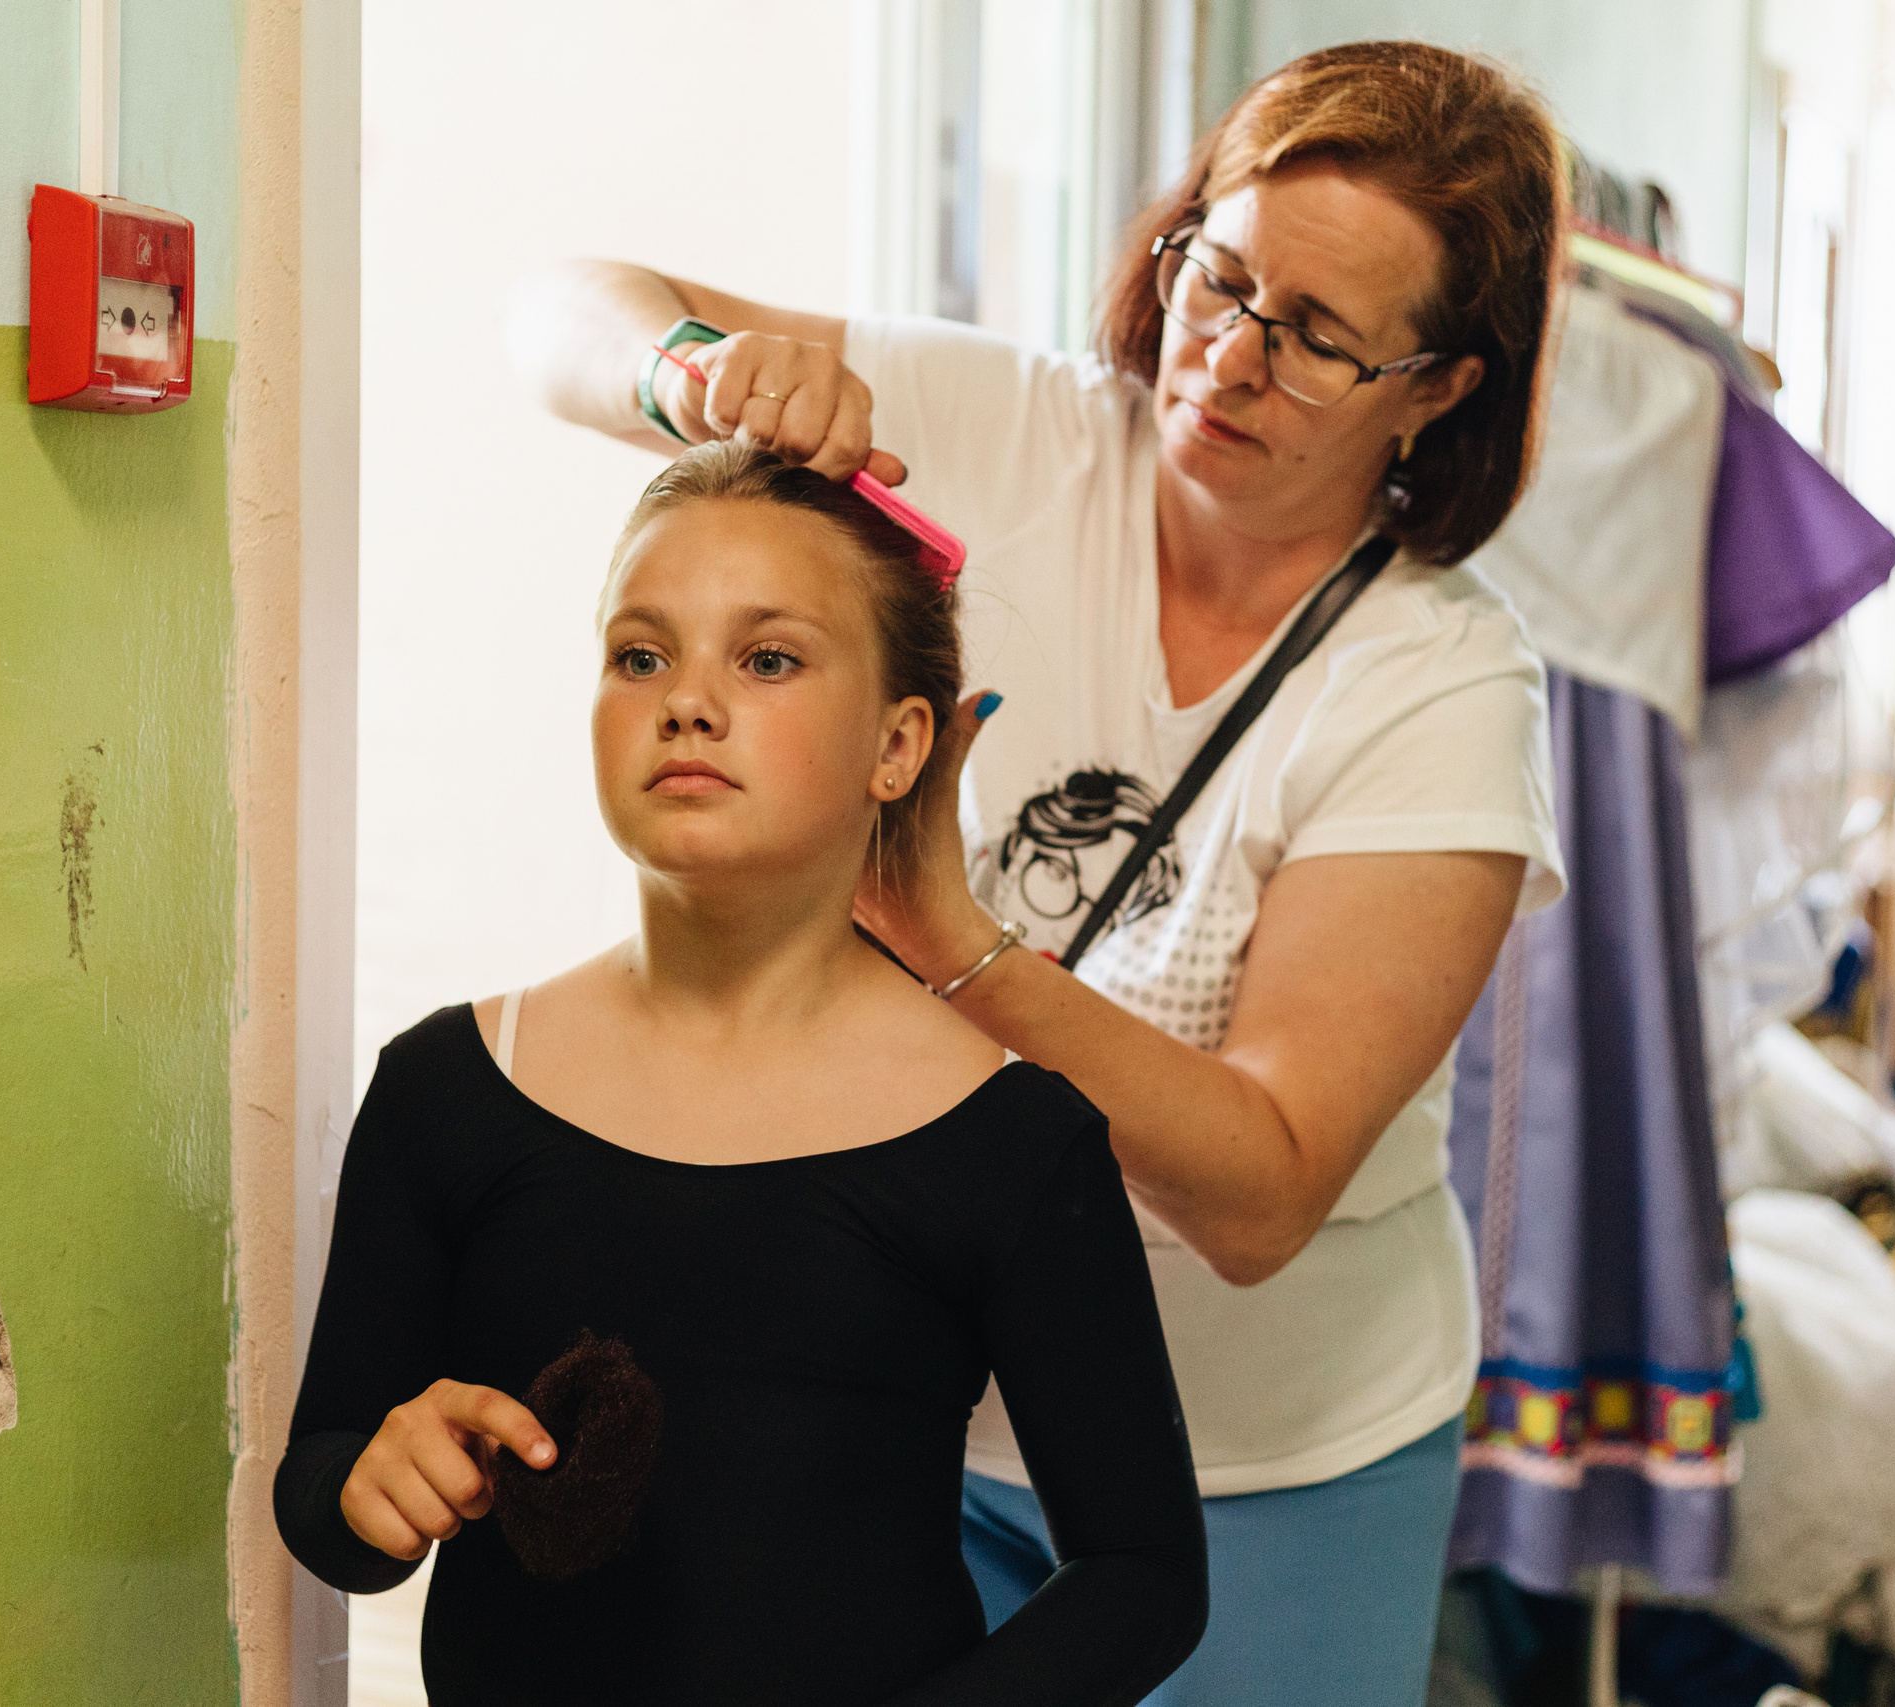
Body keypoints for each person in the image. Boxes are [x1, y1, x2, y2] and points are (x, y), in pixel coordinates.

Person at [510, 42, 1565, 1707]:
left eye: (1319, 340)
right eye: (1218, 279)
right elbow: (561, 310)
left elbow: (1266, 1184)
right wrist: (699, 379)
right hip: (906, 1396)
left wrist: (951, 940)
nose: (1229, 358)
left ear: (1438, 386)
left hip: (1267, 1466)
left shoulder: (1443, 686)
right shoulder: (1017, 434)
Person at [272, 443, 1208, 1706]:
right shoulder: (448, 1087)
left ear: (899, 745)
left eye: (766, 660)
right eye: (639, 655)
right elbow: (324, 1488)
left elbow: (1143, 1572)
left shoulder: (1014, 1141)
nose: (687, 701)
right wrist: (369, 1481)